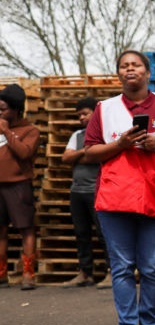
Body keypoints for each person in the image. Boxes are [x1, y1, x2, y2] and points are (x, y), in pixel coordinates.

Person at [83, 51, 155, 325]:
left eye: (135, 65)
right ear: (119, 74)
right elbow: (90, 152)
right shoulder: (104, 109)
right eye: (124, 66)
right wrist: (120, 144)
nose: (129, 69)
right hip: (115, 197)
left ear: (148, 73)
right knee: (122, 267)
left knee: (150, 267)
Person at [60, 97, 110, 289]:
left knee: (104, 233)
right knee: (81, 234)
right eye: (79, 115)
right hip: (77, 192)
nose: (81, 118)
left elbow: (98, 156)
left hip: (96, 191)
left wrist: (82, 155)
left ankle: (112, 272)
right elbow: (66, 157)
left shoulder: (104, 134)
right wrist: (86, 151)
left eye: (85, 113)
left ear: (95, 113)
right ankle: (85, 273)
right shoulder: (78, 135)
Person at [0, 84, 40, 290]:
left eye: (3, 109)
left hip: (18, 185)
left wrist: (7, 131)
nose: (0, 113)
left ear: (16, 109)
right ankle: (1, 273)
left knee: (26, 229)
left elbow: (24, 153)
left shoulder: (30, 130)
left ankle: (28, 273)